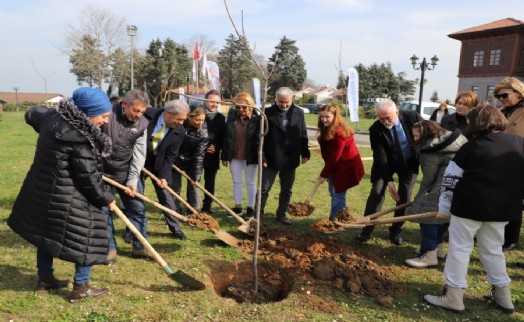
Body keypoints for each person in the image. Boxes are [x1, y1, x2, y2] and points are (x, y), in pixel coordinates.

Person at [8, 87, 115, 302]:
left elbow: (32, 113)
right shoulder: (81, 138)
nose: (105, 121)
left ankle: (45, 278)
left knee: (45, 235)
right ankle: (81, 287)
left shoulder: (53, 117)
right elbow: (88, 178)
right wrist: (107, 198)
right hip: (68, 195)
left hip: (42, 191)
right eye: (103, 116)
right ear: (86, 113)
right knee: (89, 235)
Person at [424, 105, 524, 314]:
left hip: (468, 207)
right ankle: (503, 297)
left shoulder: (471, 146)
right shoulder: (520, 144)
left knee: (460, 249)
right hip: (502, 210)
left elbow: (450, 180)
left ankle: (454, 297)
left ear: (477, 123)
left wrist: (444, 208)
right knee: (493, 250)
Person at [355, 99, 422, 245]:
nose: (385, 121)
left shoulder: (412, 117)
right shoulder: (375, 129)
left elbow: (426, 135)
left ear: (397, 112)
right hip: (386, 164)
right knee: (377, 192)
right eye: (381, 118)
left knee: (404, 196)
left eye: (388, 117)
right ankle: (366, 230)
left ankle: (396, 231)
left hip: (409, 163)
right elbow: (381, 157)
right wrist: (389, 182)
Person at [404, 120, 467, 268]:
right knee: (440, 215)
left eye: (417, 135)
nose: (414, 139)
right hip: (458, 183)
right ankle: (437, 248)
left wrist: (420, 196)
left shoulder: (429, 147)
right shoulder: (449, 139)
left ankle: (429, 254)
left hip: (443, 184)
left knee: (428, 213)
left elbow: (429, 179)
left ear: (426, 133)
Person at [101, 89, 150, 264]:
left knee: (137, 209)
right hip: (102, 173)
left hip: (125, 171)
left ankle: (140, 247)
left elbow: (139, 155)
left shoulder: (142, 124)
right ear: (124, 104)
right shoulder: (106, 115)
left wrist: (132, 180)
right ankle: (109, 249)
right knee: (104, 211)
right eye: (135, 110)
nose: (138, 115)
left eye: (142, 112)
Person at [260, 87, 311, 225]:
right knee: (264, 188)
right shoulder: (266, 113)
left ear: (292, 99)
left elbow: (302, 134)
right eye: (281, 102)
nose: (284, 105)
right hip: (271, 157)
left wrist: (305, 152)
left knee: (286, 189)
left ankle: (281, 213)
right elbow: (260, 138)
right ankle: (259, 215)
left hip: (291, 157)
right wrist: (263, 157)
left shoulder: (298, 112)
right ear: (275, 99)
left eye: (287, 102)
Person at [144, 99, 189, 240]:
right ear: (169, 114)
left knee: (166, 195)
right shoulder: (146, 116)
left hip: (159, 163)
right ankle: (133, 230)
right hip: (138, 161)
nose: (182, 123)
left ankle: (175, 228)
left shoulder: (180, 130)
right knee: (135, 196)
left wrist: (163, 176)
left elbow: (171, 156)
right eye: (179, 119)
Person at [317, 103, 365, 220]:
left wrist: (323, 174)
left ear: (335, 117)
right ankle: (341, 217)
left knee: (338, 193)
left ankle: (335, 222)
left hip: (346, 167)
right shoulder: (326, 129)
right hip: (336, 167)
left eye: (327, 117)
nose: (324, 119)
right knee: (333, 192)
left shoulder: (339, 132)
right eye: (322, 117)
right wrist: (327, 172)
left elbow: (335, 156)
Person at [494, 77, 524, 253]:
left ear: (518, 93)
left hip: (519, 160)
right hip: (501, 161)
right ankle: (502, 236)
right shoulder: (503, 111)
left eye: (505, 95)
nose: (502, 99)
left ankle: (511, 239)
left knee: (515, 200)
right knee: (505, 200)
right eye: (498, 96)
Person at [221, 92, 261, 218]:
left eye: (244, 107)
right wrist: (224, 155)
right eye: (238, 107)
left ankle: (250, 208)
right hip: (235, 154)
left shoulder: (258, 119)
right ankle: (237, 208)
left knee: (250, 182)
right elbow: (226, 137)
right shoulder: (232, 117)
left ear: (251, 106)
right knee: (236, 181)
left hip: (251, 155)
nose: (241, 110)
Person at [172, 106, 209, 212]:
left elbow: (199, 156)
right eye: (197, 120)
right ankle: (175, 209)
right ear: (189, 117)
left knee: (194, 185)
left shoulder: (203, 133)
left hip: (192, 161)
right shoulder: (179, 125)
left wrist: (196, 177)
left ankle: (194, 210)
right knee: (175, 186)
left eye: (202, 120)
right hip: (175, 159)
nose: (200, 123)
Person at [201, 90, 226, 214]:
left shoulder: (221, 119)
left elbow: (223, 137)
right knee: (194, 180)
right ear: (205, 101)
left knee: (210, 181)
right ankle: (192, 205)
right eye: (212, 101)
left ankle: (207, 205)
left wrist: (216, 147)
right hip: (198, 153)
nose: (215, 104)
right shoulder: (197, 114)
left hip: (212, 154)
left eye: (217, 102)